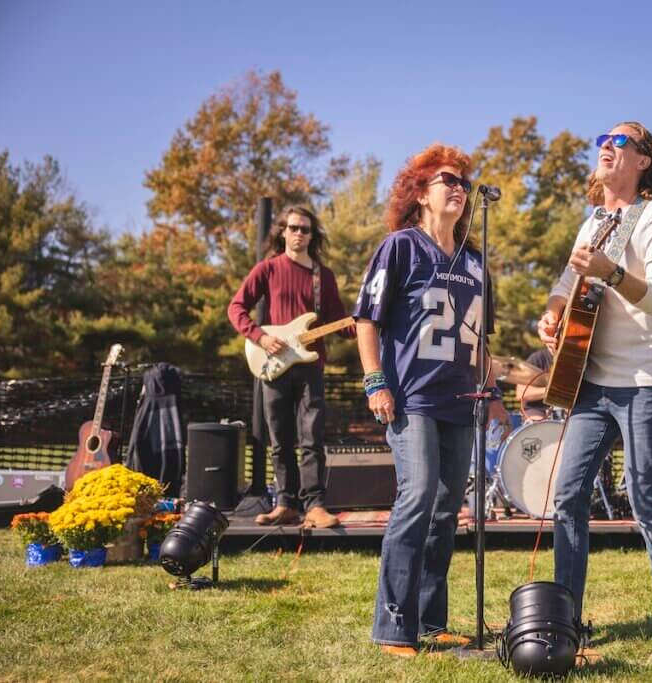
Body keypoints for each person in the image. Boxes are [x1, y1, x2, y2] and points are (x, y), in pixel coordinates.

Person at [537, 122, 652, 664]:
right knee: (567, 497)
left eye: (621, 140)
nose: (607, 144)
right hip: (590, 380)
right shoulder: (595, 221)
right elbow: (566, 284)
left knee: (646, 495)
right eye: (603, 138)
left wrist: (611, 271)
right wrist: (553, 314)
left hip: (646, 381)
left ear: (644, 160)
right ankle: (564, 623)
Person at [355, 143, 509, 657]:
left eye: (464, 181)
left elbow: (481, 340)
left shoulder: (475, 262)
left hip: (460, 400)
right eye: (448, 179)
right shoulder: (399, 247)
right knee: (417, 494)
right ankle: (393, 623)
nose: (460, 188)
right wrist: (375, 381)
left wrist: (495, 395)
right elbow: (366, 320)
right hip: (411, 398)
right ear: (420, 192)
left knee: (446, 510)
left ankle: (430, 619)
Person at [228, 205, 351, 529]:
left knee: (311, 437)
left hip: (311, 365)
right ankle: (285, 504)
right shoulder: (267, 269)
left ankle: (315, 505)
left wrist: (366, 324)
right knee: (280, 438)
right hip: (272, 363)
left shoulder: (322, 275)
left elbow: (338, 320)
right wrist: (260, 337)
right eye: (294, 227)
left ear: (313, 235)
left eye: (305, 229)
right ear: (282, 231)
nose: (299, 233)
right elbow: (237, 307)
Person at [515, 347, 552, 422]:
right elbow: (521, 393)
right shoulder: (537, 358)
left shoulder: (573, 357)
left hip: (568, 409)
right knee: (537, 426)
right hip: (537, 409)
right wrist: (552, 391)